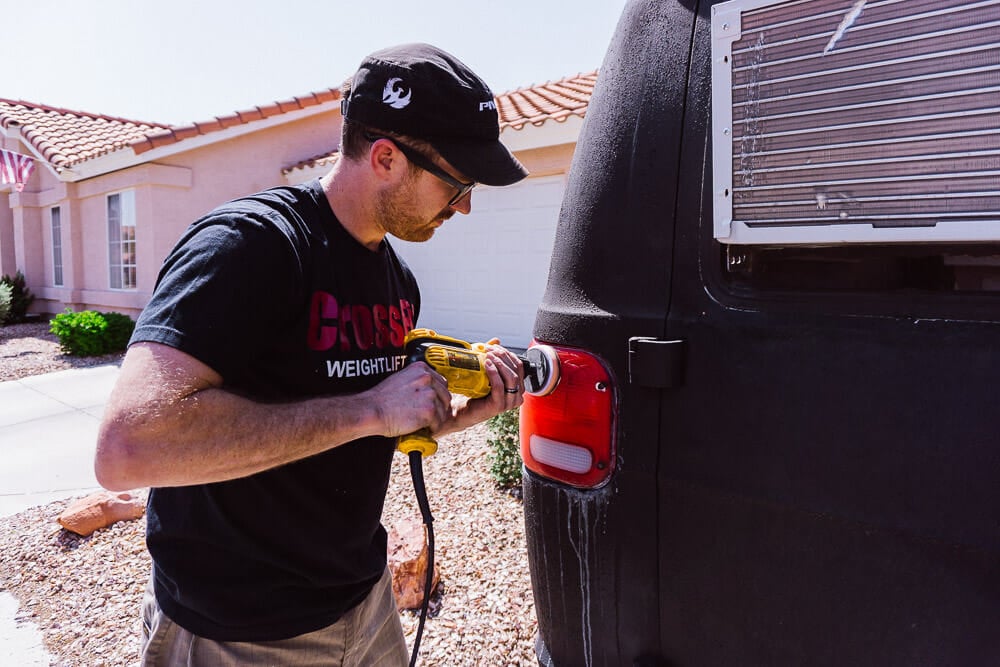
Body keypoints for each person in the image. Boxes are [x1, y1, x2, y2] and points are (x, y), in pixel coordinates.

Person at [95, 43, 529, 666]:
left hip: (364, 603)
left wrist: (450, 414)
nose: (464, 205)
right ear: (385, 157)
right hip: (238, 633)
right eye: (457, 181)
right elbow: (128, 448)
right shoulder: (250, 246)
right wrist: (371, 411)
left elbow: (362, 417)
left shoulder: (396, 281)